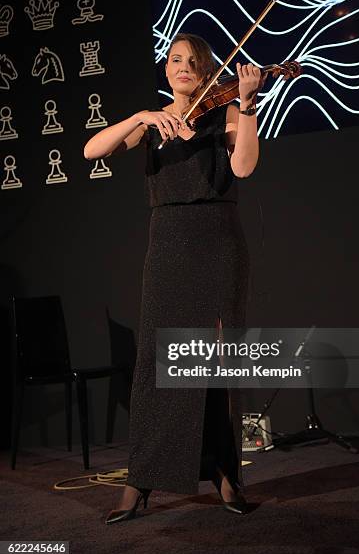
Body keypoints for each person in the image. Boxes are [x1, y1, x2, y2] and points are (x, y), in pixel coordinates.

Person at [83, 33, 263, 523]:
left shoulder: (225, 111)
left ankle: (227, 474)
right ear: (167, 70)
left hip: (218, 241)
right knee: (156, 368)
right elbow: (90, 151)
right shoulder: (153, 123)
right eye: (175, 60)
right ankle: (140, 481)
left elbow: (243, 166)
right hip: (168, 244)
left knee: (217, 367)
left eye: (193, 61)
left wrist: (246, 103)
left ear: (206, 71)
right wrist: (141, 117)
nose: (183, 67)